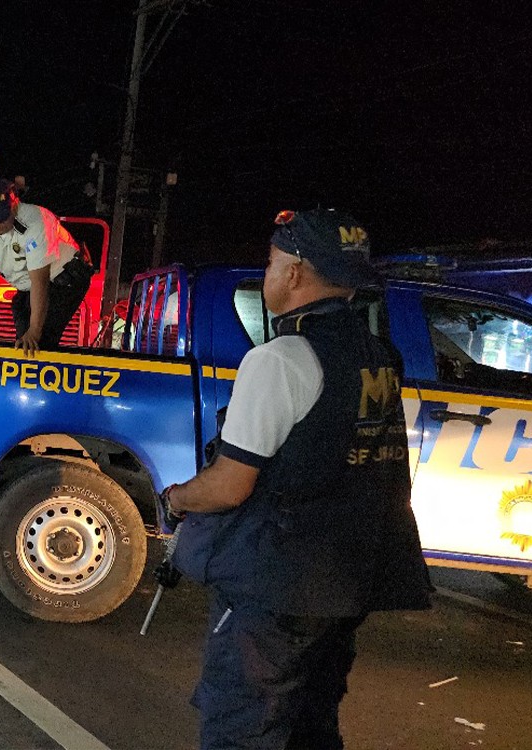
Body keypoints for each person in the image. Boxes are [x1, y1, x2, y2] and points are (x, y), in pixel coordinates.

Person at [161, 208, 433, 750]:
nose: (267, 274)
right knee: (311, 727)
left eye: (270, 262)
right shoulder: (377, 355)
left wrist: (177, 497)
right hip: (346, 582)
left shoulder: (281, 359)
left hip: (278, 585)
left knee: (242, 728)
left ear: (293, 272)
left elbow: (230, 484)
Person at [0, 177, 94, 354]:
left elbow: (40, 281)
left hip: (65, 277)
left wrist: (35, 331)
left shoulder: (36, 222)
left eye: (0, 218)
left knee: (38, 342)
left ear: (14, 207)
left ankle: (42, 375)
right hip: (29, 286)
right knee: (23, 339)